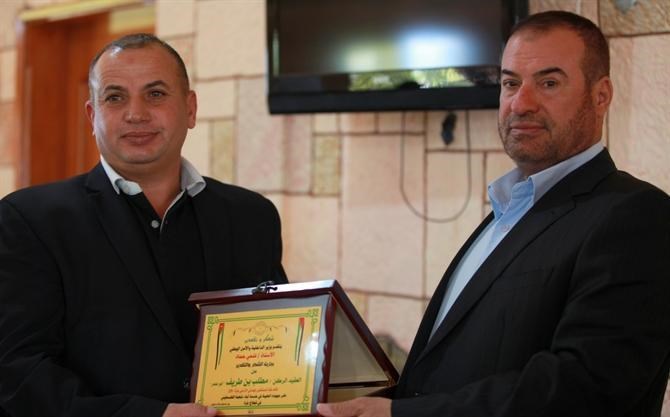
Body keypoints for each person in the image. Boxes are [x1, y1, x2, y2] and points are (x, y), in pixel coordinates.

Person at [317, 10, 670, 417]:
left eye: (549, 83)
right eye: (510, 83)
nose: (521, 103)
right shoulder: (509, 210)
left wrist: (399, 416)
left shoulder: (637, 215)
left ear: (601, 94)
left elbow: (586, 388)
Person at [0, 34, 287, 417]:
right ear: (92, 116)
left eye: (155, 94)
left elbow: (277, 345)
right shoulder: (30, 220)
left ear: (190, 109)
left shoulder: (252, 216)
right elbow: (18, 374)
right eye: (115, 97)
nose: (136, 114)